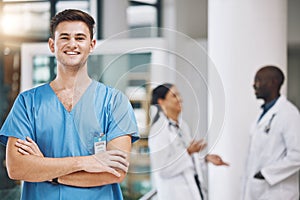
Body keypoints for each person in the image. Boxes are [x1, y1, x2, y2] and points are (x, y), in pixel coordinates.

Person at [0, 9, 139, 200]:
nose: (72, 44)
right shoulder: (28, 102)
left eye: (80, 38)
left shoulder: (114, 102)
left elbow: (115, 171)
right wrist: (87, 162)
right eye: (64, 37)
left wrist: (47, 169)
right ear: (52, 45)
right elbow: (17, 168)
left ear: (91, 45)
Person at [148, 83, 229, 200]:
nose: (180, 99)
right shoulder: (158, 130)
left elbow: (188, 162)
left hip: (193, 190)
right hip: (175, 194)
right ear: (161, 102)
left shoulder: (182, 126)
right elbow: (162, 169)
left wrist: (205, 159)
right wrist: (188, 152)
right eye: (174, 96)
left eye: (179, 95)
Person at [242, 66, 300, 200]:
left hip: (279, 192)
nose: (254, 85)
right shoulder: (263, 114)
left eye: (258, 80)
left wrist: (266, 173)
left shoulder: (289, 114)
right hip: (259, 190)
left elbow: (298, 155)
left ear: (273, 82)